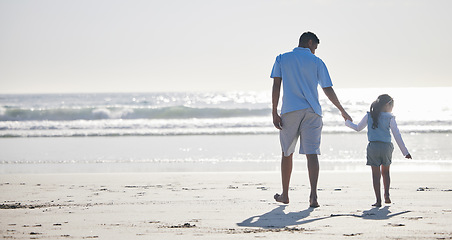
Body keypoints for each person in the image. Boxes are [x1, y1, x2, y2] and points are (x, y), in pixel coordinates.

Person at [271, 32, 352, 208]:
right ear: (309, 42)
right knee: (312, 153)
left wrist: (274, 112)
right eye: (315, 46)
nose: (315, 50)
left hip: (290, 110)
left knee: (287, 152)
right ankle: (313, 196)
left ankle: (285, 194)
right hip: (313, 112)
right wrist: (342, 110)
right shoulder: (317, 62)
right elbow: (327, 88)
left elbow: (276, 85)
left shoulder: (282, 58)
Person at [345, 94, 412, 207]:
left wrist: (347, 122)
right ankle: (387, 195)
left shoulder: (369, 115)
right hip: (386, 147)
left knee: (376, 175)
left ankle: (378, 200)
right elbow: (397, 135)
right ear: (387, 105)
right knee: (385, 173)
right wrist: (405, 152)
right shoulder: (390, 118)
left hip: (373, 147)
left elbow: (357, 128)